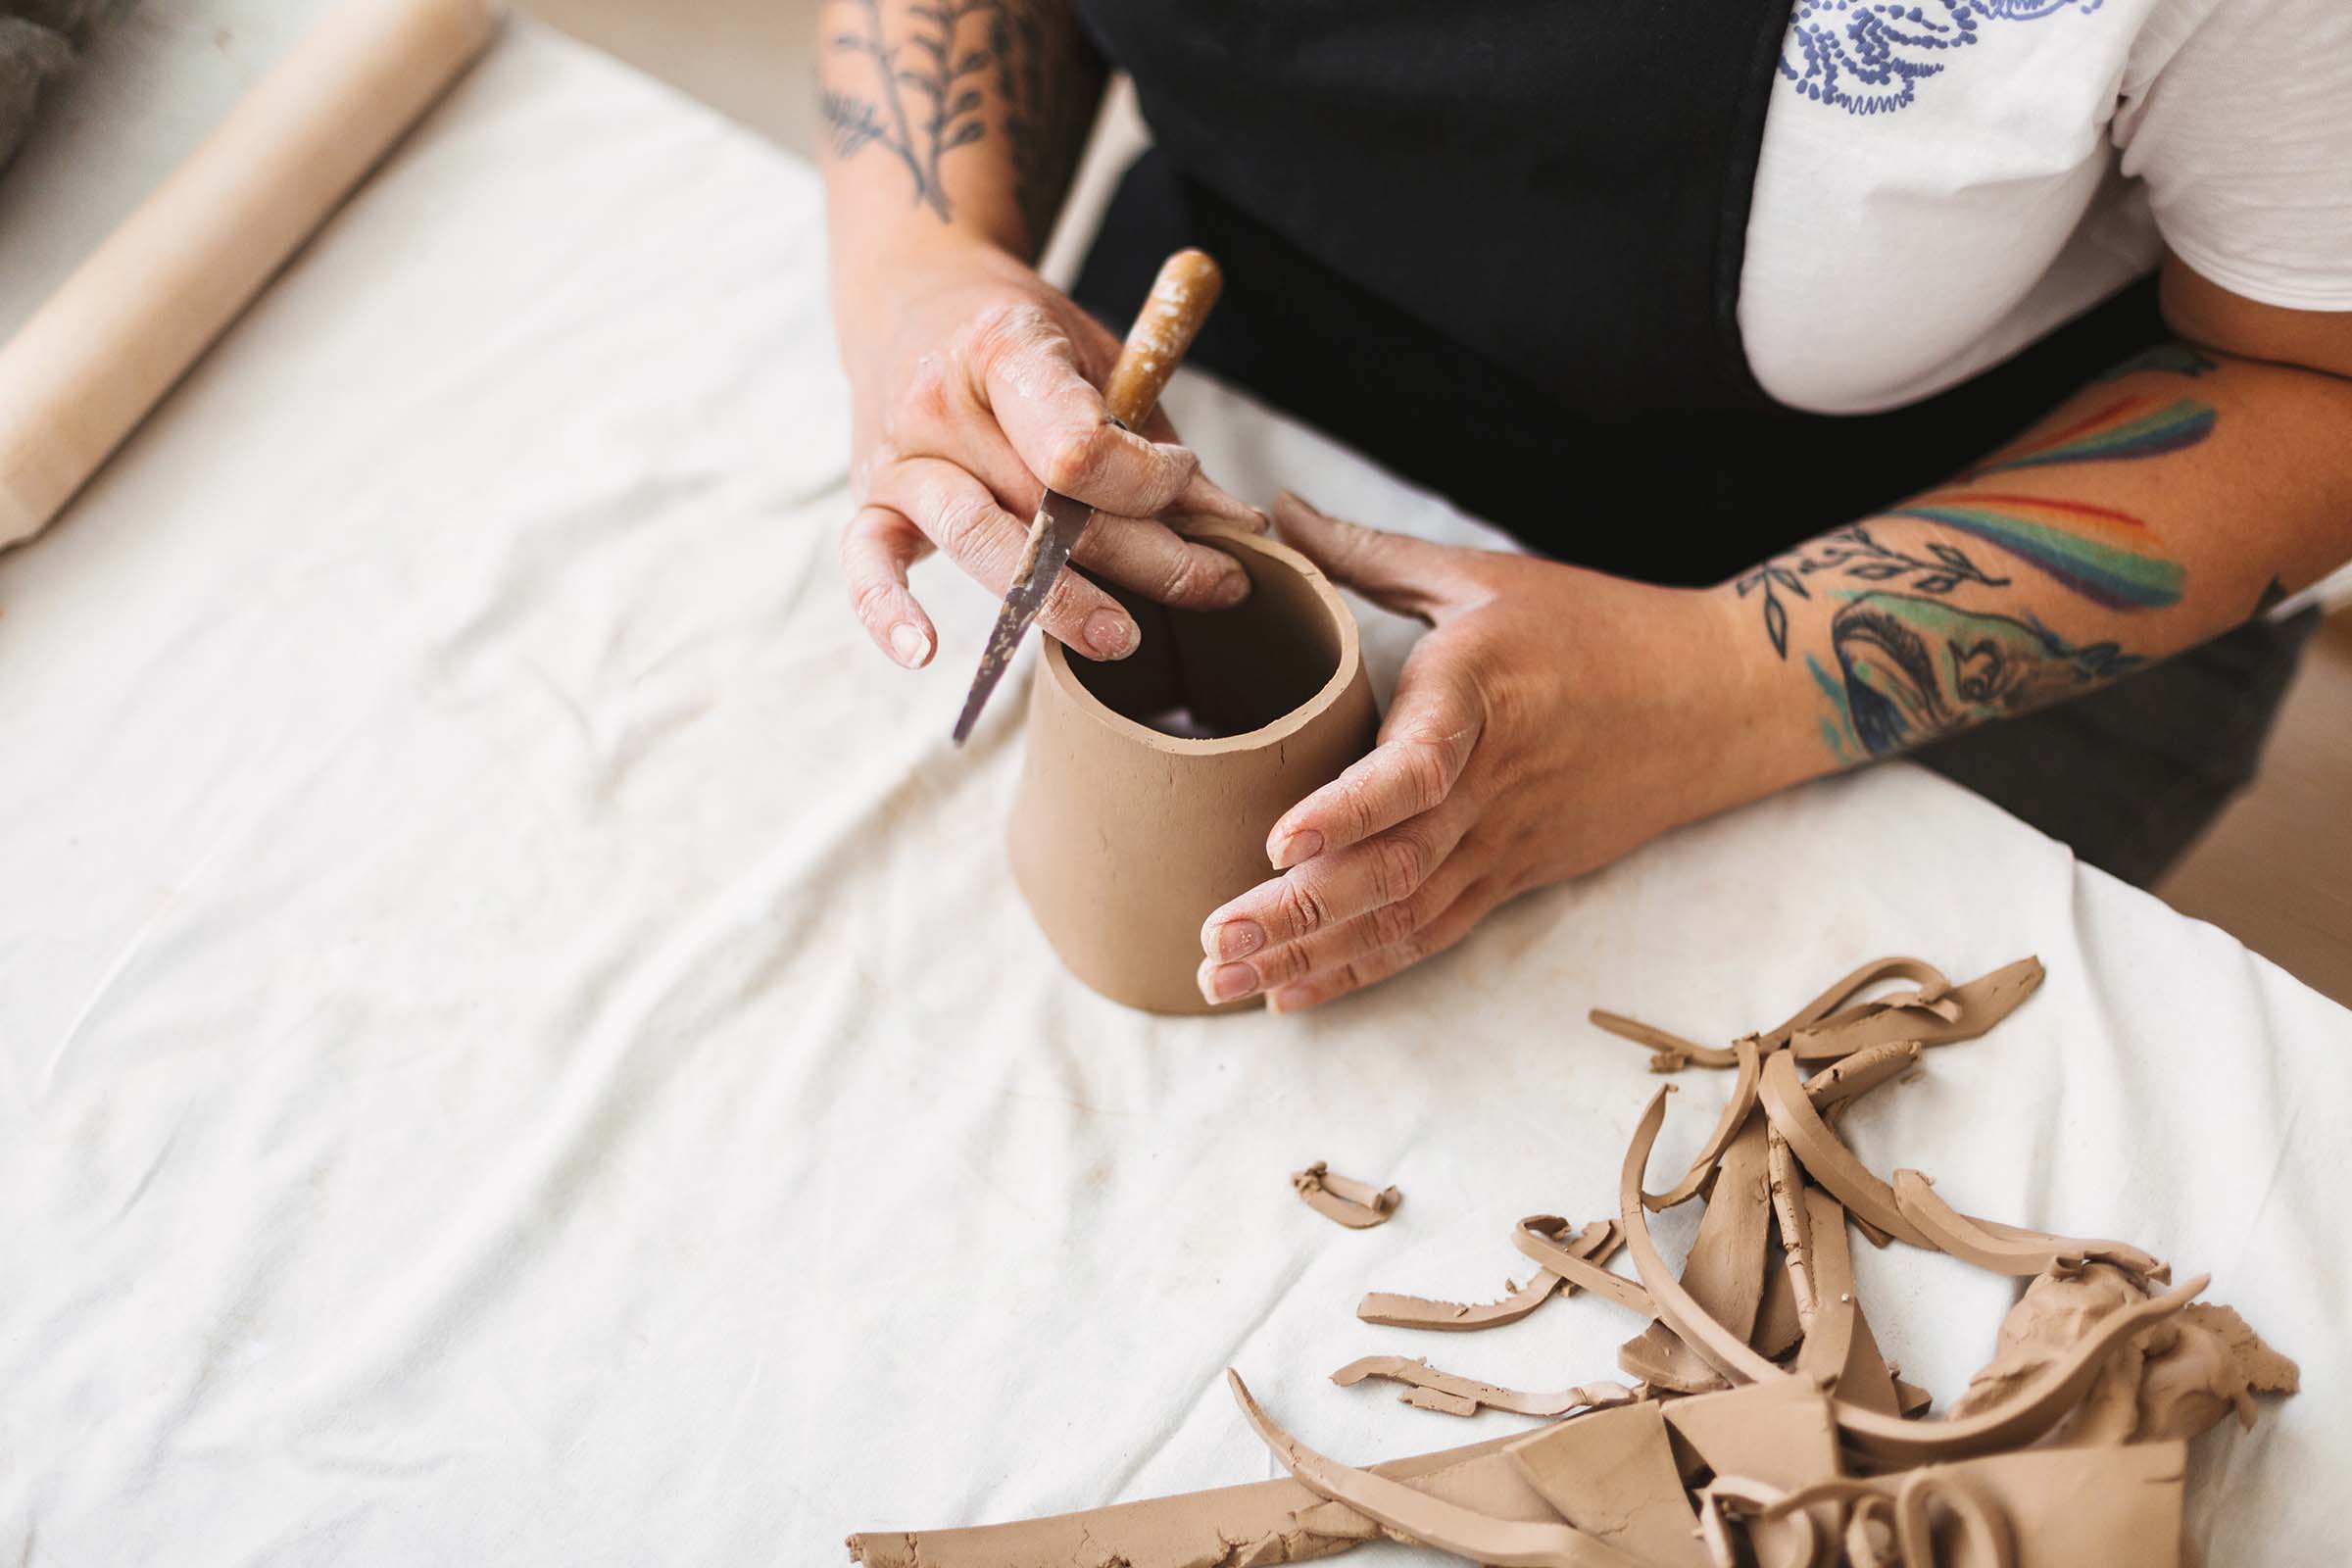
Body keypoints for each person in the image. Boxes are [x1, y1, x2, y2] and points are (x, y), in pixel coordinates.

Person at [818, 0, 2352, 1012]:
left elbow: (2318, 381)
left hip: (1927, 554)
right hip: (1257, 333)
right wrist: (921, 262)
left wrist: (1714, 682)